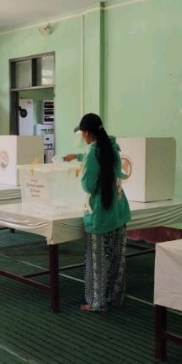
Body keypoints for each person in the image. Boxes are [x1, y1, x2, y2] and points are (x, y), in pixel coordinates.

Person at [69, 113, 131, 313]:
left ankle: (97, 303)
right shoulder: (112, 147)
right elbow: (106, 164)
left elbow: (88, 185)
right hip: (118, 209)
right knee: (116, 258)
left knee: (97, 260)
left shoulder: (93, 152)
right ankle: (115, 297)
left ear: (87, 133)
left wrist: (83, 163)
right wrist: (78, 157)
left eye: (82, 133)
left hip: (100, 213)